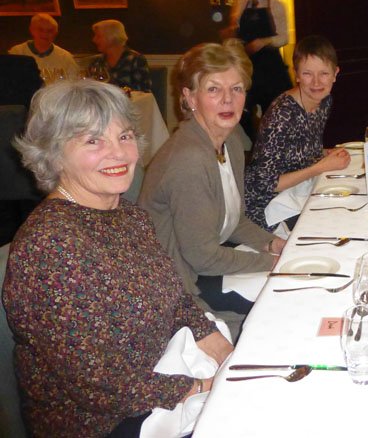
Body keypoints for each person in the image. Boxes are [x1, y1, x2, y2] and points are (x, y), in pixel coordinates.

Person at [3, 80, 232, 436]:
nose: (119, 153)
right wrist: (200, 388)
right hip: (102, 422)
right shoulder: (51, 245)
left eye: (124, 136)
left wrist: (218, 345)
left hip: (161, 373)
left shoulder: (129, 215)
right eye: (93, 141)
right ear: (54, 154)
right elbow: (96, 384)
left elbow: (173, 295)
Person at [139, 41, 286, 317]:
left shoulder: (230, 143)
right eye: (214, 89)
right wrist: (274, 262)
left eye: (237, 88)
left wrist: (274, 244)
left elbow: (235, 221)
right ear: (190, 98)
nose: (228, 99)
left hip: (205, 263)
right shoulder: (189, 158)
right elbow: (202, 257)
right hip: (179, 283)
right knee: (285, 298)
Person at [244, 35, 350, 229]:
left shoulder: (324, 102)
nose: (316, 82)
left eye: (324, 73)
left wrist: (323, 153)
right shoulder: (282, 115)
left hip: (296, 192)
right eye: (308, 73)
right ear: (297, 74)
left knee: (345, 206)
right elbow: (266, 184)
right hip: (266, 208)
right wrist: (320, 167)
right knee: (334, 222)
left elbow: (299, 151)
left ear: (335, 73)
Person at [222, 0, 292, 144]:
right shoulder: (240, 3)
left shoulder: (275, 5)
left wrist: (264, 41)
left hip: (270, 65)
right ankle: (256, 143)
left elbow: (284, 37)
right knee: (241, 108)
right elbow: (236, 32)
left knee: (276, 110)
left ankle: (275, 145)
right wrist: (231, 35)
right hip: (246, 65)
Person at [87, 19, 152, 92]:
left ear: (111, 37)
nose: (94, 40)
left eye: (98, 36)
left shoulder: (135, 60)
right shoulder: (97, 62)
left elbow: (144, 92)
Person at [8, 13, 80, 77]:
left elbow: (74, 82)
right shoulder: (17, 52)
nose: (45, 34)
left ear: (55, 33)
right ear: (32, 30)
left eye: (50, 31)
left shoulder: (65, 58)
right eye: (40, 30)